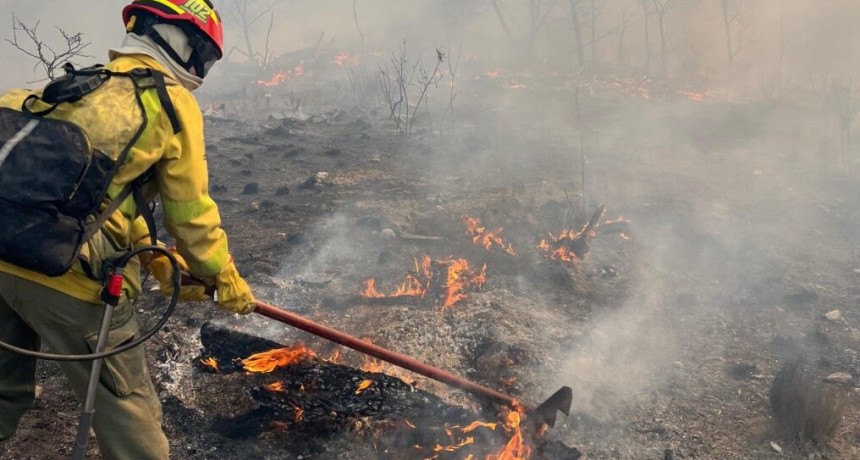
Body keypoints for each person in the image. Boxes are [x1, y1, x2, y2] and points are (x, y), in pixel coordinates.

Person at [0, 1, 254, 458]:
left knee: (1, 394)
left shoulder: (71, 89)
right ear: (180, 40)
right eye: (203, 54)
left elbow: (99, 190)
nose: (201, 67)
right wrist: (221, 275)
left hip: (3, 258)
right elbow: (191, 215)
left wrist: (157, 259)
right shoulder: (167, 101)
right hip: (69, 277)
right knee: (130, 417)